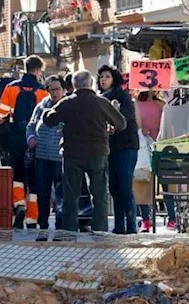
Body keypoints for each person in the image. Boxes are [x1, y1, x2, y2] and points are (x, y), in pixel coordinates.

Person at [43, 70, 126, 234]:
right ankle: (100, 229)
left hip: (72, 154)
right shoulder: (101, 102)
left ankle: (69, 230)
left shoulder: (67, 102)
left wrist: (47, 110)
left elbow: (49, 120)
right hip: (98, 153)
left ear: (73, 85)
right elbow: (121, 123)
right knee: (99, 193)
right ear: (91, 84)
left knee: (71, 195)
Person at [98, 65, 140, 234]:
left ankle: (131, 226)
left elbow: (128, 114)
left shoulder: (121, 95)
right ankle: (118, 226)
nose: (103, 79)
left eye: (107, 76)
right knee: (114, 188)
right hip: (110, 148)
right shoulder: (100, 98)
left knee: (124, 186)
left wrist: (111, 111)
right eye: (101, 76)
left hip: (127, 146)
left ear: (114, 78)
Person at [26, 75, 68, 239]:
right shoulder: (41, 107)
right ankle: (42, 228)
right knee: (42, 195)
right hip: (42, 157)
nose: (54, 92)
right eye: (51, 89)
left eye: (57, 89)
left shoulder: (68, 106)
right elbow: (31, 126)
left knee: (60, 196)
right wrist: (30, 139)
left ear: (64, 90)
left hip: (60, 159)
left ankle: (59, 230)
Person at [0, 56, 48, 190]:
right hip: (35, 138)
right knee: (34, 174)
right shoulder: (43, 91)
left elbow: (1, 113)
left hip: (15, 136)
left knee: (17, 173)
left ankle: (18, 204)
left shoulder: (10, 87)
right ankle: (33, 208)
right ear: (38, 70)